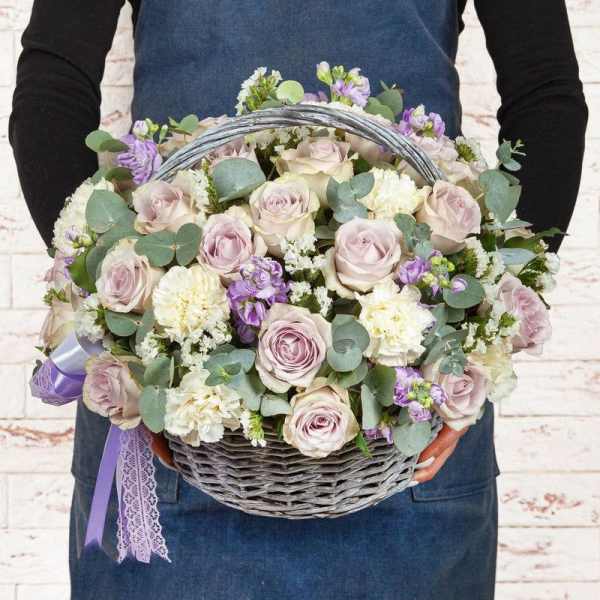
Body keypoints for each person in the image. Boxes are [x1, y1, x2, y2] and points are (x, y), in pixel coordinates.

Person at [10, 1, 587, 599]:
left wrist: (483, 319)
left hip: (408, 430)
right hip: (173, 434)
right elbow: (53, 83)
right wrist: (114, 298)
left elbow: (545, 92)